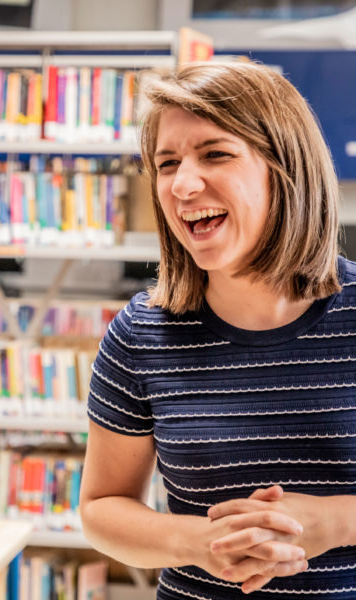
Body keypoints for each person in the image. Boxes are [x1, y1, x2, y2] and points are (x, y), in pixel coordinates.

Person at [79, 61, 356, 599]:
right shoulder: (139, 335)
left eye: (215, 154)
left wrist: (338, 521)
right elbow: (100, 508)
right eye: (167, 163)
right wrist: (200, 542)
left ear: (285, 167)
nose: (183, 184)